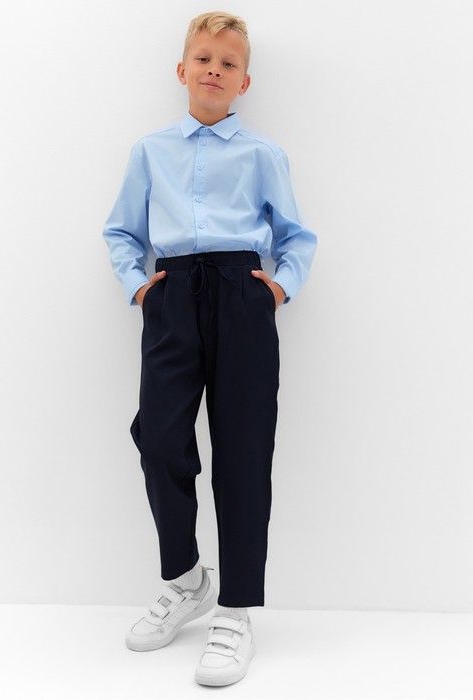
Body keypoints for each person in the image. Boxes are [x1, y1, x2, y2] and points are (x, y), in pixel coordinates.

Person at [101, 10, 317, 687]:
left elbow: (297, 237)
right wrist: (141, 289)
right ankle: (187, 578)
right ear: (182, 70)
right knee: (160, 437)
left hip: (241, 295)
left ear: (243, 81)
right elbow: (121, 232)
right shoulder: (150, 152)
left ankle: (236, 608)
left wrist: (276, 289)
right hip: (172, 296)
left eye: (228, 63)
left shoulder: (262, 155)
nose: (214, 70)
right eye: (203, 59)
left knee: (243, 449)